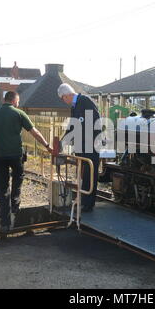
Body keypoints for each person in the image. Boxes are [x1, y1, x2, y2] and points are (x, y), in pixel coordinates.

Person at [0, 91, 52, 233]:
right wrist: (48, 146)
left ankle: (5, 224)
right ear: (14, 101)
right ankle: (15, 203)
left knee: (1, 189)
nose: (18, 104)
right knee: (18, 179)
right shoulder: (19, 113)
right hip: (15, 155)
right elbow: (35, 132)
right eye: (18, 101)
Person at [57, 83, 100, 212]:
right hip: (81, 145)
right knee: (83, 173)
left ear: (67, 95)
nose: (64, 101)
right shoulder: (75, 106)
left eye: (63, 98)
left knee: (89, 173)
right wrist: (62, 143)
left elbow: (96, 121)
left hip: (90, 145)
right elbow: (72, 126)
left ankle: (88, 203)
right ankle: (84, 200)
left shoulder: (85, 101)